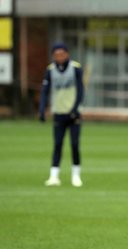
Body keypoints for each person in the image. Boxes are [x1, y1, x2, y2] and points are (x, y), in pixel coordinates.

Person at [39, 43, 84, 187]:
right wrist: (42, 109)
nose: (59, 57)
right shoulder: (50, 70)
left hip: (73, 113)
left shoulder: (75, 68)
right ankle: (54, 176)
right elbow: (45, 91)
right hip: (58, 112)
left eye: (62, 54)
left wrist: (75, 108)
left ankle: (76, 176)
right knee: (57, 144)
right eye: (56, 54)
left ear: (67, 54)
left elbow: (81, 90)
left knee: (75, 144)